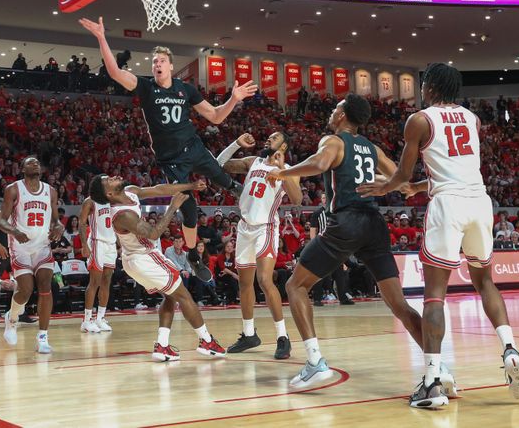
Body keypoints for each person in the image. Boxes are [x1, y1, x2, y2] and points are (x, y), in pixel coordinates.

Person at [358, 63, 519, 408]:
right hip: (479, 202)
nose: (421, 90)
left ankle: (432, 382)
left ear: (432, 86)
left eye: (423, 84)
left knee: (434, 295)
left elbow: (403, 173)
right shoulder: (473, 119)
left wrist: (385, 189)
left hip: (448, 206)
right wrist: (418, 186)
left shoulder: (419, 120)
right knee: (485, 282)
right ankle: (510, 348)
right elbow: (456, 168)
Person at [266, 94, 455, 394]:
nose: (331, 111)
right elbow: (401, 180)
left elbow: (320, 163)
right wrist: (413, 187)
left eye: (334, 108)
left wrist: (282, 172)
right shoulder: (372, 147)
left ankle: (315, 363)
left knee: (295, 286)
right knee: (400, 305)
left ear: (342, 115)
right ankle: (439, 368)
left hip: (347, 222)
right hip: (375, 225)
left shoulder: (333, 141)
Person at [80, 16, 257, 248]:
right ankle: (193, 255)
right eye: (154, 62)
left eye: (161, 61)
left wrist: (233, 99)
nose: (157, 65)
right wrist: (102, 38)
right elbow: (114, 72)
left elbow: (216, 116)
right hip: (170, 158)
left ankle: (249, 201)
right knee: (189, 208)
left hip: (193, 147)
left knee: (223, 178)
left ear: (171, 66)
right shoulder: (145, 87)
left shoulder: (186, 89)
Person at [88, 173, 226, 361]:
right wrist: (172, 208)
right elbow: (153, 233)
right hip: (143, 258)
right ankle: (206, 341)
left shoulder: (130, 192)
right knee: (184, 296)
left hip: (141, 258)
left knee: (170, 296)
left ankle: (162, 346)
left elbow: (159, 189)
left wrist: (189, 186)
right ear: (110, 194)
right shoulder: (122, 215)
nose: (113, 177)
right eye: (109, 181)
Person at [216, 131, 302, 359]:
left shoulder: (290, 169)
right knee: (244, 284)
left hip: (266, 228)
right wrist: (236, 142)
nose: (268, 139)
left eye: (274, 138)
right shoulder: (253, 162)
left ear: (283, 148)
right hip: (245, 228)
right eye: (269, 137)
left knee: (264, 280)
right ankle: (248, 334)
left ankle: (283, 337)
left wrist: (283, 172)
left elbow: (297, 199)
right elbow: (219, 164)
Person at [0, 156, 64, 354]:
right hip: (20, 247)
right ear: (22, 169)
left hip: (42, 246)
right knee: (25, 290)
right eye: (30, 162)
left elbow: (56, 220)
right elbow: (2, 221)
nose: (35, 163)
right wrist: (15, 232)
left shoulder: (50, 191)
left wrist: (59, 227)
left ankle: (42, 337)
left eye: (37, 162)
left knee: (46, 288)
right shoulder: (13, 189)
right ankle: (12, 318)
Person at [79, 191, 122, 334]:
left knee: (107, 280)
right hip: (97, 242)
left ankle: (100, 318)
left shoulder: (112, 201)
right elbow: (81, 223)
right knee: (94, 282)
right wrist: (84, 244)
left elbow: (115, 223)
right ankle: (86, 321)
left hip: (111, 243)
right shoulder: (90, 201)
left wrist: (120, 243)